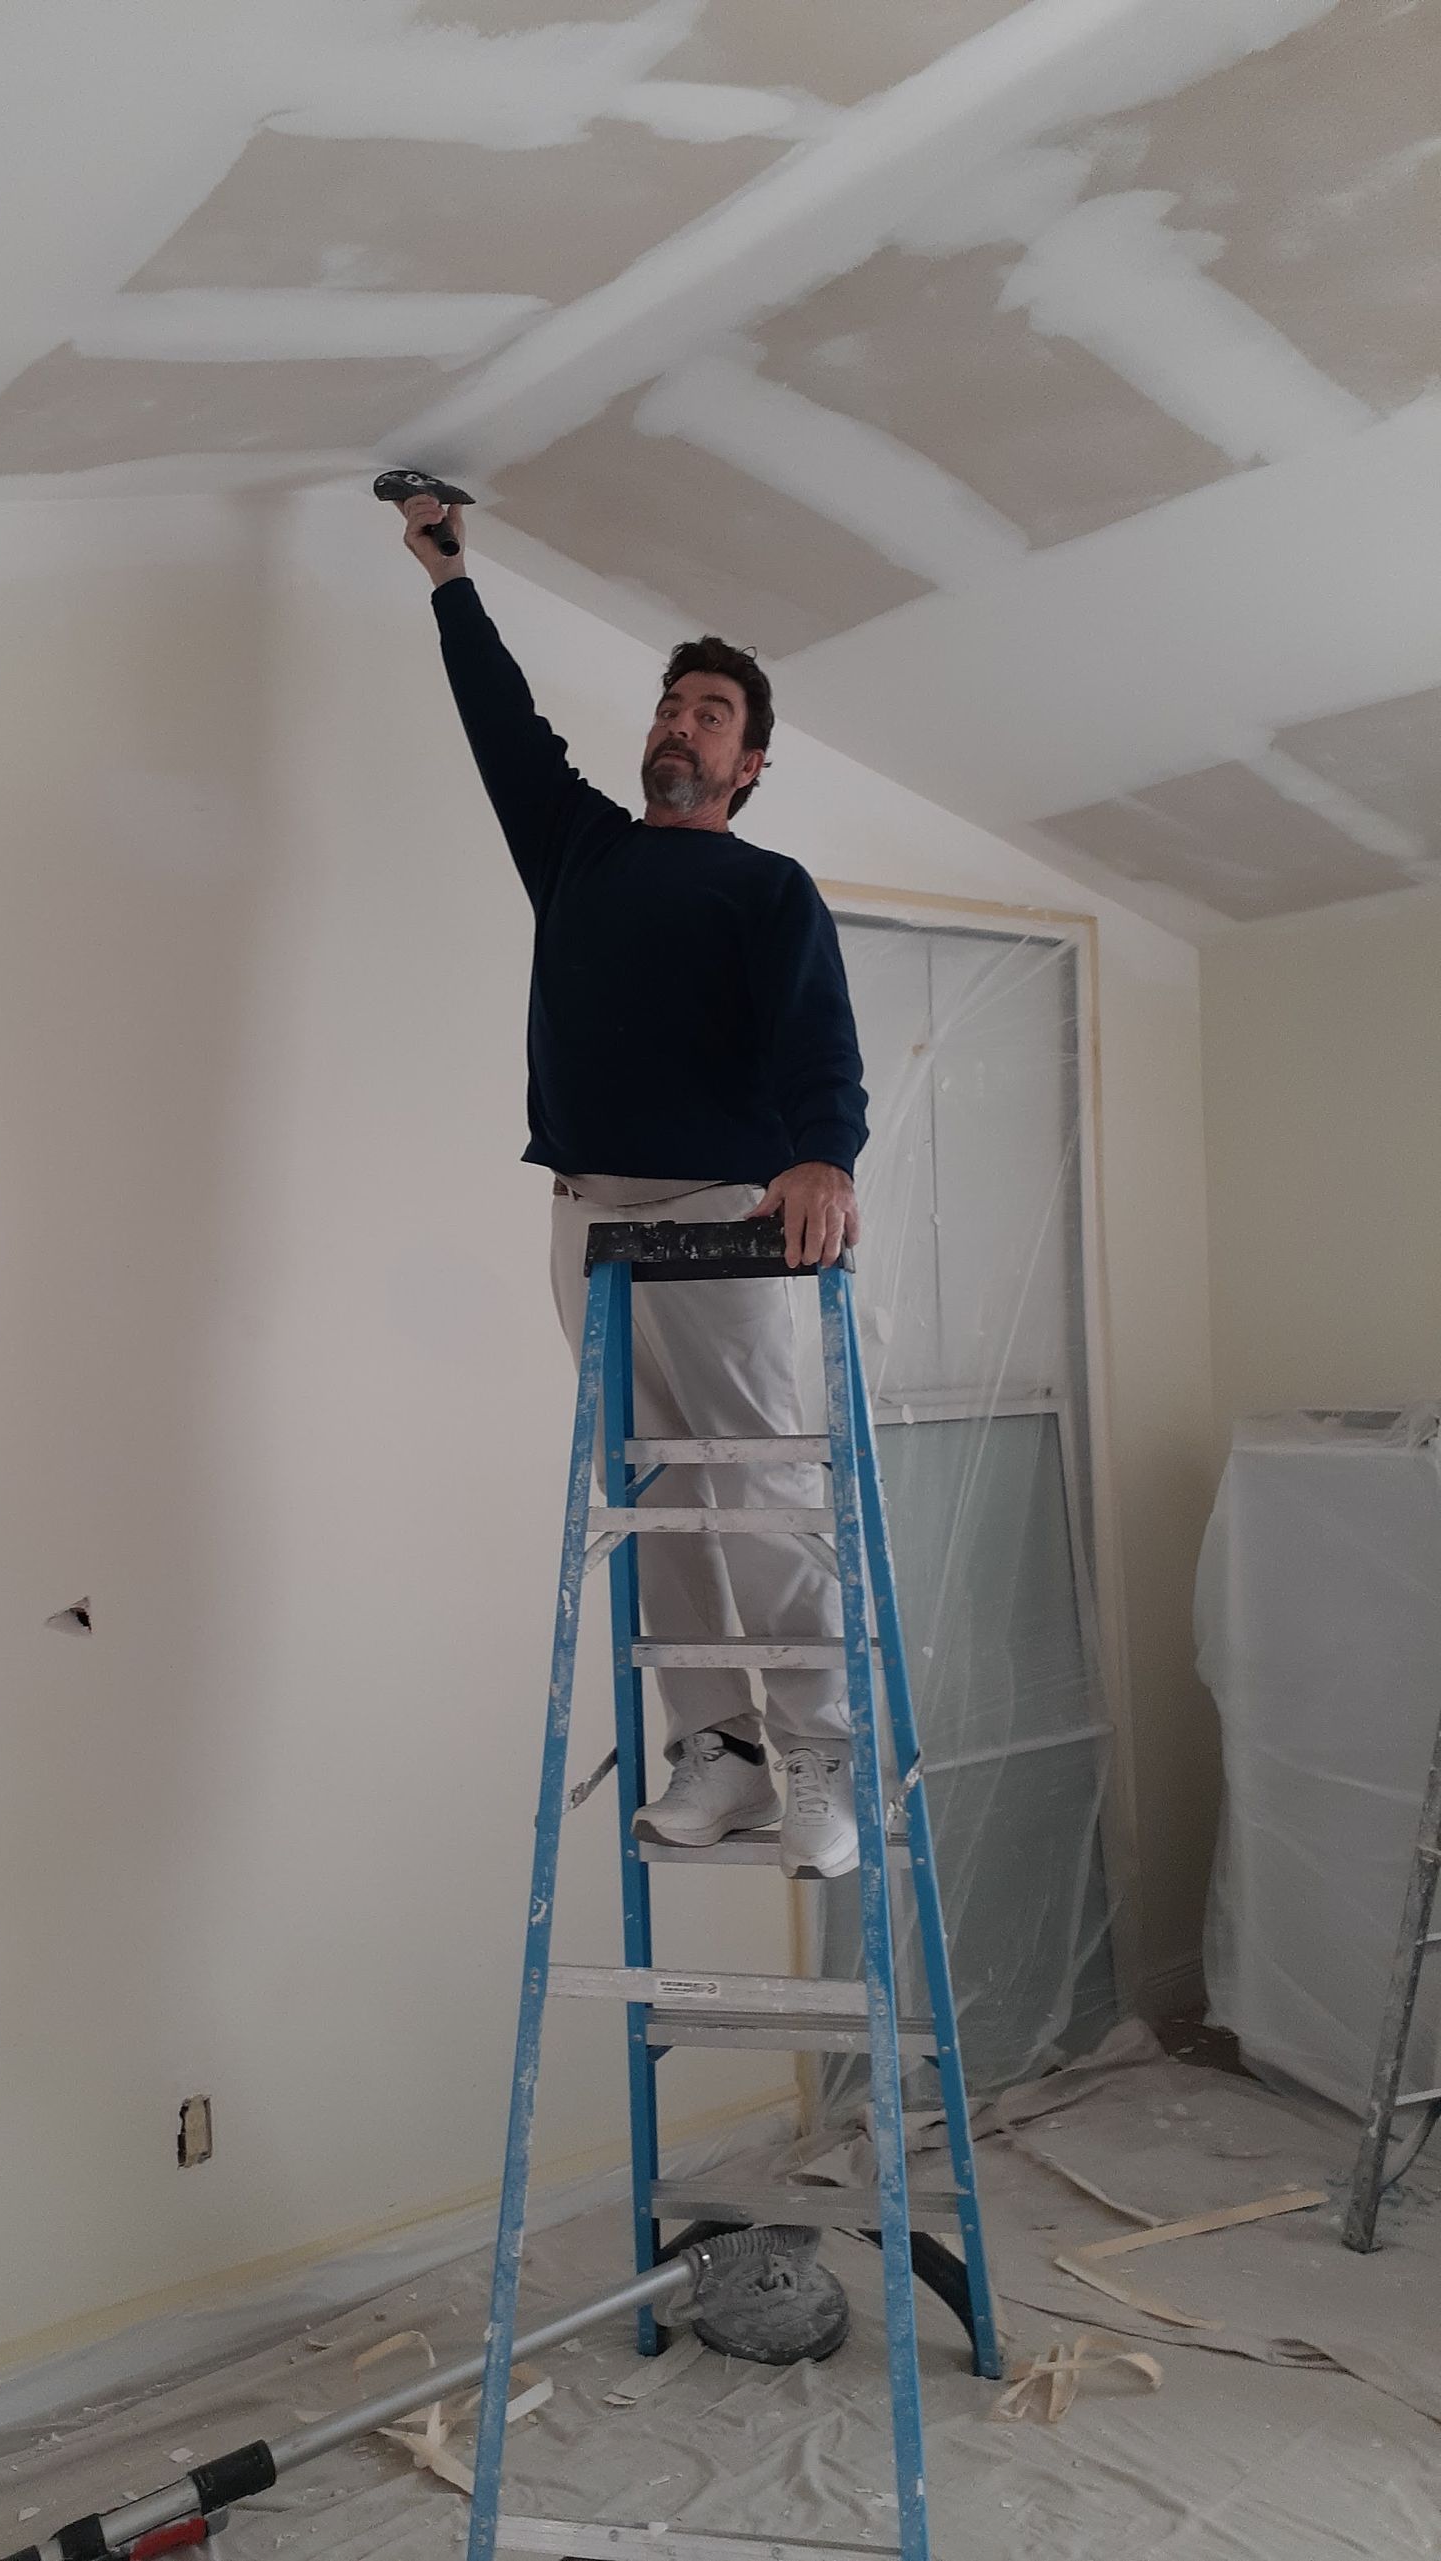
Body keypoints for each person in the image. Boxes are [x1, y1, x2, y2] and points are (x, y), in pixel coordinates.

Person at [394, 488, 868, 1878]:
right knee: (657, 1496)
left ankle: (819, 1757)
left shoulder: (769, 888)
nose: (681, 722)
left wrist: (824, 1154)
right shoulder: (582, 850)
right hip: (589, 1222)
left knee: (764, 1496)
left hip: (724, 1225)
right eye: (672, 703)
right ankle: (715, 1747)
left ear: (752, 760)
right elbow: (504, 728)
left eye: (712, 711)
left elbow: (818, 1038)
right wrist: (448, 581)